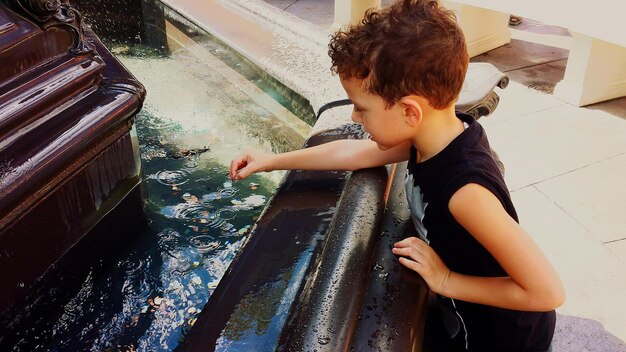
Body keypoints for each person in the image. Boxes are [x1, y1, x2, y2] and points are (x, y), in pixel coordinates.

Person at [229, 0, 564, 350]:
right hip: (468, 315)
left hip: (500, 336)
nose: (356, 119)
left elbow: (546, 292)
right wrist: (273, 160)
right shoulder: (432, 137)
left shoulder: (466, 193)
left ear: (409, 111)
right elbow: (353, 152)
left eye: (361, 107)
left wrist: (447, 280)